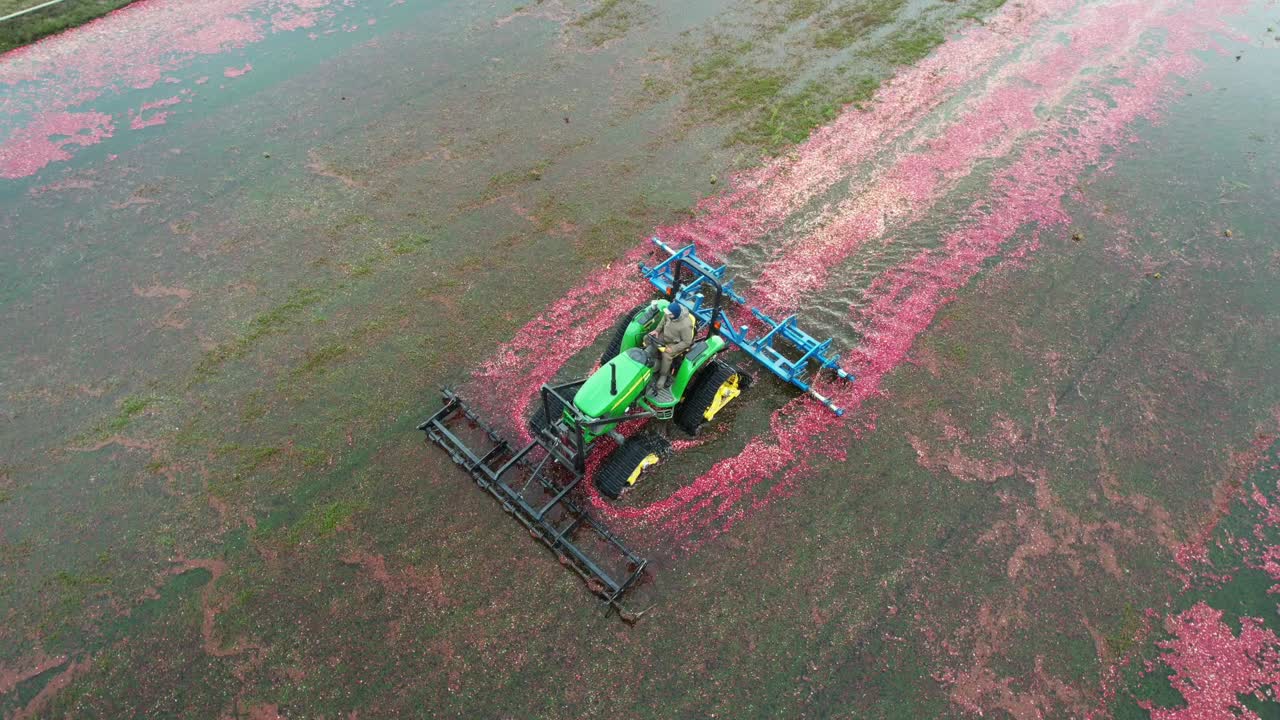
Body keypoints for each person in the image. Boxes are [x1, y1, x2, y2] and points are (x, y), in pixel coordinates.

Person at [646, 302, 695, 389]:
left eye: (670, 314)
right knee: (648, 338)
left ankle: (663, 375)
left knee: (666, 355)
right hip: (664, 335)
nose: (667, 315)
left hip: (675, 343)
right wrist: (657, 331)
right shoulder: (668, 314)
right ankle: (649, 358)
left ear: (675, 314)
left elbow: (687, 342)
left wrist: (673, 348)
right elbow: (663, 321)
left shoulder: (686, 325)